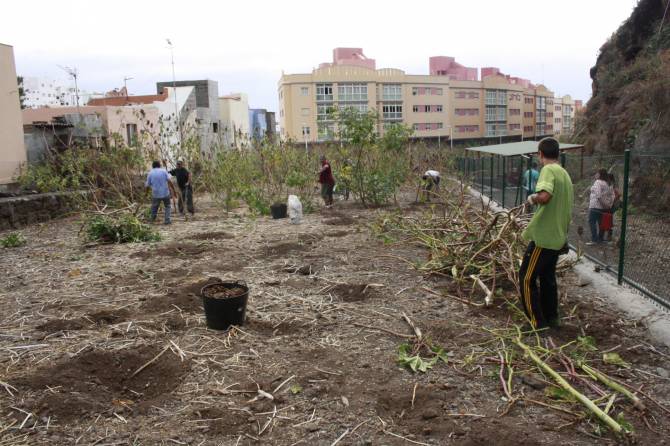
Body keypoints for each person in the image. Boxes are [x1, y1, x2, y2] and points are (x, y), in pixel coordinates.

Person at [519, 137, 573, 331]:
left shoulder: (548, 170)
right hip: (558, 237)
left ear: (540, 154)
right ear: (557, 153)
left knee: (526, 278)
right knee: (547, 277)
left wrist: (532, 198)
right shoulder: (564, 174)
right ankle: (552, 318)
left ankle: (537, 323)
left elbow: (545, 196)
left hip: (544, 237)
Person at [586, 168, 614, 246]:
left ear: (600, 174)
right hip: (603, 208)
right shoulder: (606, 183)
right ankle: (600, 238)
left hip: (595, 206)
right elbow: (609, 195)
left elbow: (598, 195)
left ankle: (594, 239)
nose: (596, 174)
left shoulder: (598, 182)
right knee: (601, 223)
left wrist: (604, 204)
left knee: (592, 222)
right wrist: (607, 205)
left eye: (597, 173)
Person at [145, 160, 176, 225]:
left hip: (156, 193)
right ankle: (167, 220)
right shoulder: (164, 171)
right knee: (168, 206)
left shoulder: (150, 173)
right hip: (165, 193)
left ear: (153, 166)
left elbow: (147, 185)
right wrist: (174, 189)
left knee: (154, 207)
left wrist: (146, 194)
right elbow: (169, 181)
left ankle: (152, 220)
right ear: (159, 165)